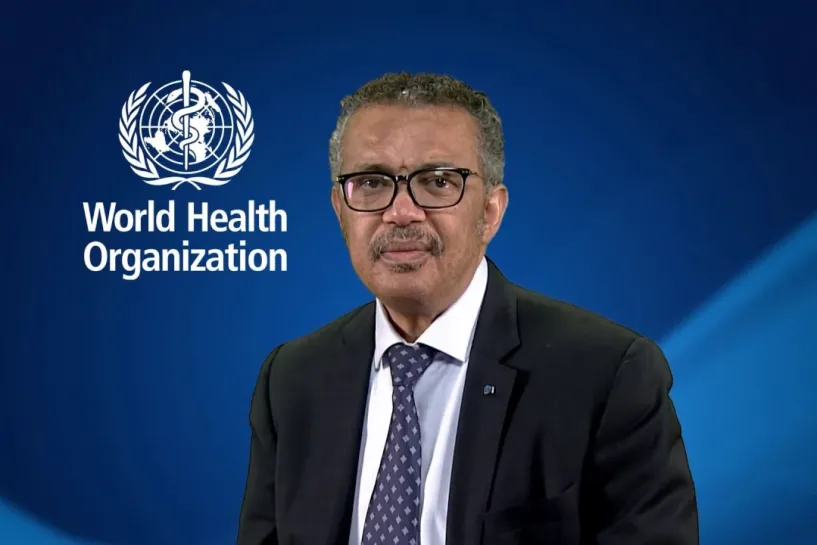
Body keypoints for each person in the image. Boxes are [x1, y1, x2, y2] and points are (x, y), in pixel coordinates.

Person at [236, 72, 698, 545]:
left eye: (438, 182)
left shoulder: (608, 376)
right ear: (340, 209)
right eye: (371, 182)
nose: (401, 212)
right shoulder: (291, 380)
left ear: (490, 212)